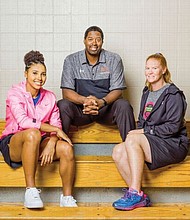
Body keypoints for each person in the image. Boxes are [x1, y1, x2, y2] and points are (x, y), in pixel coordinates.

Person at [0, 51, 77, 208]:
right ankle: (31, 191)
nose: (39, 78)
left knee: (66, 148)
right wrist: (54, 130)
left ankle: (67, 197)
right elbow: (23, 121)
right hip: (14, 142)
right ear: (26, 73)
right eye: (35, 73)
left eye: (43, 74)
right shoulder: (15, 92)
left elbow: (57, 126)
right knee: (33, 133)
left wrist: (52, 141)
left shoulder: (50, 97)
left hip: (38, 141)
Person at [112, 53, 189, 211]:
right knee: (118, 150)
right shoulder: (146, 92)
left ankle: (134, 193)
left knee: (132, 139)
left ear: (163, 69)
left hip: (174, 144)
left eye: (154, 68)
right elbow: (142, 120)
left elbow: (173, 127)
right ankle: (139, 195)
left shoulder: (173, 94)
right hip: (154, 141)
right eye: (147, 68)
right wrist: (141, 132)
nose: (150, 71)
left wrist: (143, 132)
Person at [57, 26, 135, 141]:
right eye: (90, 39)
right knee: (62, 105)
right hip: (82, 110)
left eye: (98, 39)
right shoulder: (71, 60)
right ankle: (60, 147)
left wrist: (101, 102)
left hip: (105, 109)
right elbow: (66, 93)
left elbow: (118, 91)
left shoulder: (114, 59)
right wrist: (85, 101)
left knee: (124, 105)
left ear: (102, 41)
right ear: (84, 40)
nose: (94, 43)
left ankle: (132, 147)